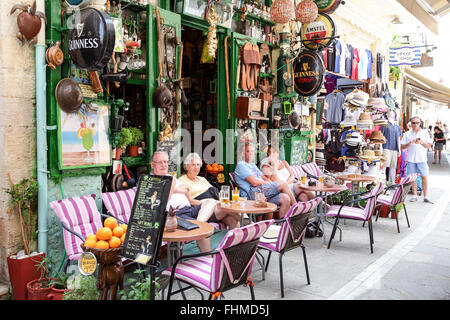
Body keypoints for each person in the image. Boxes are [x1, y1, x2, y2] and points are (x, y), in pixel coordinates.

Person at [150, 151, 238, 253]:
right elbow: (162, 203)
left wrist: (208, 203)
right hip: (175, 215)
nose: (164, 165)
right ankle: (207, 256)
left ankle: (233, 250)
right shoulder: (151, 181)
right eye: (160, 162)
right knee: (224, 219)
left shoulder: (173, 179)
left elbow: (189, 197)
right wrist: (174, 187)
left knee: (222, 210)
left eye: (165, 162)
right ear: (152, 164)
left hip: (191, 210)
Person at [234, 143, 297, 218]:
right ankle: (296, 208)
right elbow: (254, 182)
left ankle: (283, 225)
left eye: (252, 151)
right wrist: (268, 182)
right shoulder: (241, 165)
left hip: (261, 192)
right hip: (252, 194)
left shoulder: (252, 165)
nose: (251, 154)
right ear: (242, 153)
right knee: (283, 184)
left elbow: (262, 176)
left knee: (285, 198)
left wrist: (269, 182)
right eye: (248, 151)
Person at [179, 152, 241, 228]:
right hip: (201, 207)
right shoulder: (182, 180)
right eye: (193, 165)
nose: (196, 167)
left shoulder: (202, 179)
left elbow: (214, 192)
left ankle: (238, 237)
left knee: (232, 220)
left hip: (215, 206)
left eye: (198, 165)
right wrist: (209, 203)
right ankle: (246, 220)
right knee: (228, 209)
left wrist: (216, 202)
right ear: (187, 166)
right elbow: (190, 201)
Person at [401, 116, 433, 203]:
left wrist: (421, 142)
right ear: (410, 124)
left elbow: (429, 145)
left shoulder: (425, 133)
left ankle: (425, 196)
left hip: (422, 159)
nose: (415, 124)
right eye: (413, 123)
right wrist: (410, 143)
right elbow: (402, 147)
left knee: (424, 177)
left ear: (420, 123)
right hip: (411, 159)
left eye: (417, 123)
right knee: (413, 178)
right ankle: (414, 195)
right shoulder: (407, 134)